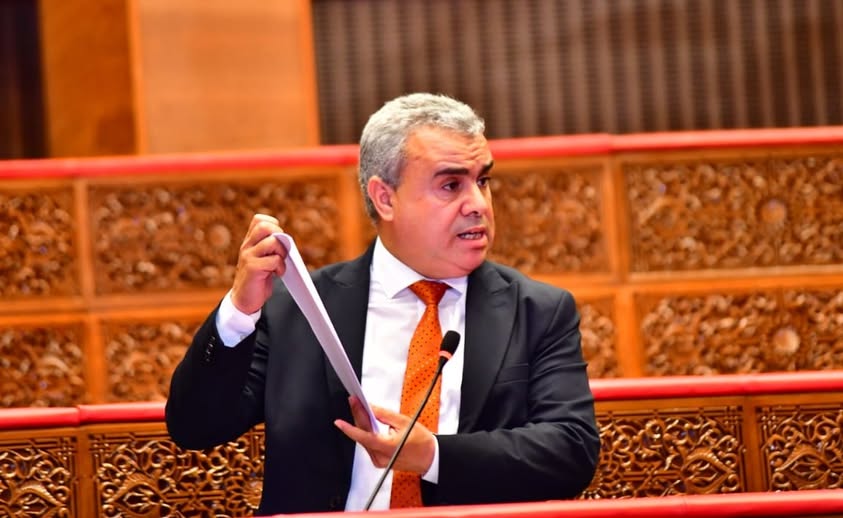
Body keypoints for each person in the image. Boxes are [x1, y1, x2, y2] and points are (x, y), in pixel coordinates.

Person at [166, 93, 600, 515]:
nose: (478, 205)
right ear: (385, 198)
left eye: (482, 181)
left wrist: (433, 456)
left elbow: (571, 449)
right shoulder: (299, 309)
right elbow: (195, 427)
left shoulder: (538, 311)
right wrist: (240, 312)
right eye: (451, 185)